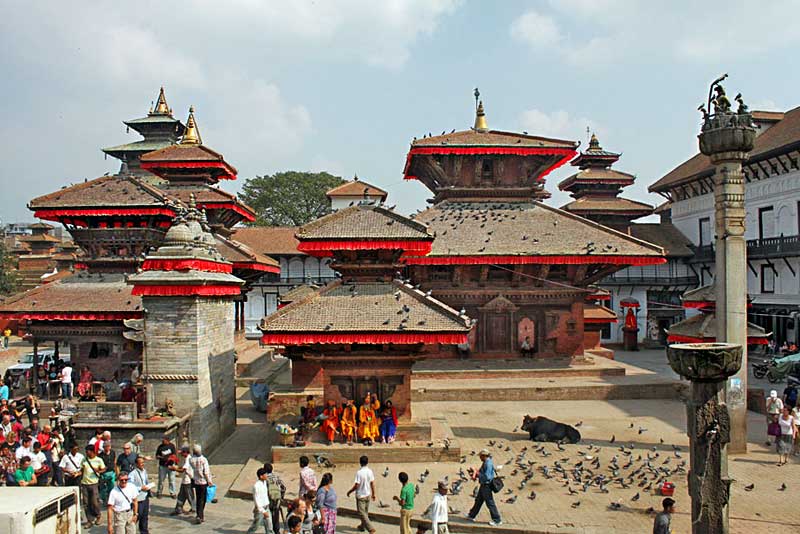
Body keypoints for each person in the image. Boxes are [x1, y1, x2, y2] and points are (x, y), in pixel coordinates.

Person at [466, 449, 502, 526]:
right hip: (483, 485)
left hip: (487, 486)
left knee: (490, 503)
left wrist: (477, 474)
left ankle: (497, 519)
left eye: (481, 456)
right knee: (478, 501)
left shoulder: (487, 464)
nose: (480, 458)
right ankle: (472, 515)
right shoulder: (486, 462)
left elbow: (487, 477)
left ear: (484, 456)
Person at [347, 455, 376, 534]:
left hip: (361, 495)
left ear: (360, 463)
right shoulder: (370, 471)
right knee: (365, 512)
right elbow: (372, 483)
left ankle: (371, 528)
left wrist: (350, 491)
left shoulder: (359, 472)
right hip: (367, 494)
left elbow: (357, 485)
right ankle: (362, 526)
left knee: (361, 513)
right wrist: (373, 494)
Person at [81, 445, 107, 528]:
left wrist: (98, 470)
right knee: (86, 503)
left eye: (87, 451)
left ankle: (98, 515)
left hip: (94, 483)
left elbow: (104, 469)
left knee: (95, 502)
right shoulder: (84, 459)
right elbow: (82, 469)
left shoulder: (98, 460)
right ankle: (89, 520)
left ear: (92, 451)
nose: (86, 453)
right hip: (85, 483)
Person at [188, 444, 212, 524]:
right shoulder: (203, 459)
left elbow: (190, 470)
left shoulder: (191, 460)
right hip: (203, 481)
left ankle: (199, 515)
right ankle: (200, 516)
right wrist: (209, 480)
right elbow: (206, 472)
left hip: (196, 481)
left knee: (198, 498)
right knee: (203, 499)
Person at [129, 455, 151, 533]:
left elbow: (145, 481)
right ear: (136, 464)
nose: (142, 464)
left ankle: (144, 531)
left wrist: (149, 486)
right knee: (138, 515)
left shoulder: (144, 471)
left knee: (145, 516)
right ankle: (130, 530)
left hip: (145, 496)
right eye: (140, 463)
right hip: (138, 498)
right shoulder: (132, 474)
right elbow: (130, 486)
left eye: (143, 462)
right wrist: (140, 488)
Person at [171, 446, 196, 516]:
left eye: (182, 453)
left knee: (190, 495)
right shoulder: (186, 459)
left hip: (188, 481)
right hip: (185, 480)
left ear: (185, 453)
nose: (181, 454)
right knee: (181, 495)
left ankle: (194, 508)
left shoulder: (188, 459)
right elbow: (182, 467)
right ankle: (178, 508)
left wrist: (174, 469)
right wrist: (177, 467)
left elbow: (183, 470)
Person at [248, 467, 273, 534]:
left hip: (266, 506)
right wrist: (263, 511)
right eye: (265, 474)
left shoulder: (265, 482)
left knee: (269, 526)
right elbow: (257, 500)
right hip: (260, 510)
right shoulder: (256, 486)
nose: (267, 475)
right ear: (261, 476)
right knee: (255, 525)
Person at [263, 462, 286, 534]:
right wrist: (281, 497)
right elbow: (283, 488)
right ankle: (277, 531)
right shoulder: (276, 477)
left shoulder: (264, 479)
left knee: (268, 519)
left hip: (268, 501)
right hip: (277, 501)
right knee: (276, 517)